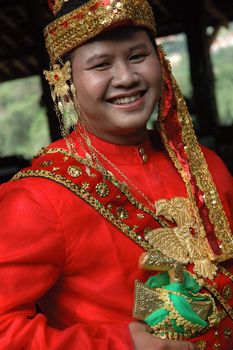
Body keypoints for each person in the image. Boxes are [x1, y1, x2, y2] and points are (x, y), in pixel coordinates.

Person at [0, 0, 232, 349]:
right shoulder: (37, 199)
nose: (125, 78)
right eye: (101, 64)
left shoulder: (204, 163)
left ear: (160, 62)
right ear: (65, 79)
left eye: (137, 56)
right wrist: (119, 344)